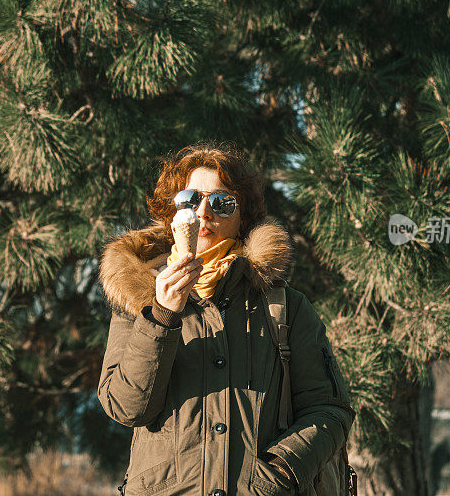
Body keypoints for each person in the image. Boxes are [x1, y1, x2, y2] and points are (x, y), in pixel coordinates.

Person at [97, 143, 355, 496]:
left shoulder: (284, 305)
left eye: (222, 202)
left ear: (242, 219)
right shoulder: (137, 296)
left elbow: (330, 410)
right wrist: (161, 315)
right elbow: (126, 408)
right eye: (189, 199)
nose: (203, 212)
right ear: (172, 214)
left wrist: (277, 474)